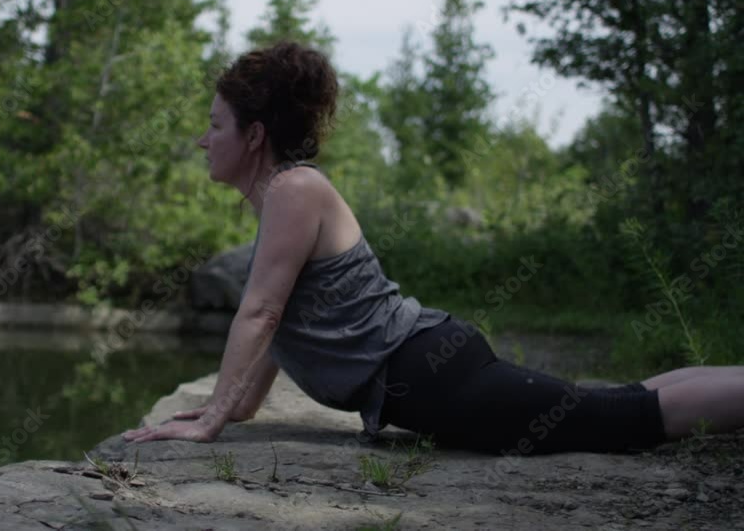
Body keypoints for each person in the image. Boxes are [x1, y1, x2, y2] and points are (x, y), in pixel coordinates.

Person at [121, 41, 744, 454]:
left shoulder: (294, 188)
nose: (204, 140)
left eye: (214, 124)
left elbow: (260, 313)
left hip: (430, 372)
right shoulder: (282, 199)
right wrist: (234, 408)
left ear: (254, 135)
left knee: (622, 423)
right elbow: (278, 327)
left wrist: (207, 419)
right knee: (615, 405)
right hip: (426, 371)